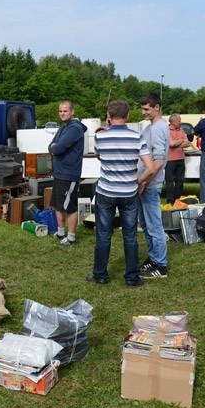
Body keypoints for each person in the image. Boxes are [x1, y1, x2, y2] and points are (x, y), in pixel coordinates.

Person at [87, 100, 152, 287]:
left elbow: (100, 156)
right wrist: (138, 181)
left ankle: (100, 275)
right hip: (129, 193)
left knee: (103, 235)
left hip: (106, 192)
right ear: (128, 115)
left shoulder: (100, 137)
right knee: (130, 236)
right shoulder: (137, 137)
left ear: (108, 116)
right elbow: (150, 167)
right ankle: (132, 278)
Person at [137, 94, 169, 279]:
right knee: (146, 225)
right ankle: (153, 258)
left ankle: (161, 266)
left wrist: (143, 181)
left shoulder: (158, 128)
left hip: (150, 184)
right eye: (142, 109)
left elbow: (158, 161)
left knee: (154, 226)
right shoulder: (150, 127)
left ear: (157, 107)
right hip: (145, 184)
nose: (144, 112)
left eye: (147, 109)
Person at [48, 100, 86, 246]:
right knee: (58, 205)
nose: (62, 113)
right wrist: (54, 147)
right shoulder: (64, 127)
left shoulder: (75, 128)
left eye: (65, 111)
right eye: (60, 111)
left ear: (72, 112)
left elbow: (57, 148)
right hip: (59, 172)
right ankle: (60, 233)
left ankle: (71, 237)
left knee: (69, 206)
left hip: (69, 174)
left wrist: (55, 148)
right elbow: (51, 145)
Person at [165, 114, 190, 204]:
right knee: (170, 182)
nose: (180, 122)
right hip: (169, 160)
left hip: (180, 159)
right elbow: (171, 144)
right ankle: (170, 201)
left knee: (180, 181)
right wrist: (181, 140)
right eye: (179, 121)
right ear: (173, 122)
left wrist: (176, 143)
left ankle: (178, 200)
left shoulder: (181, 130)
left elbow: (188, 143)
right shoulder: (166, 130)